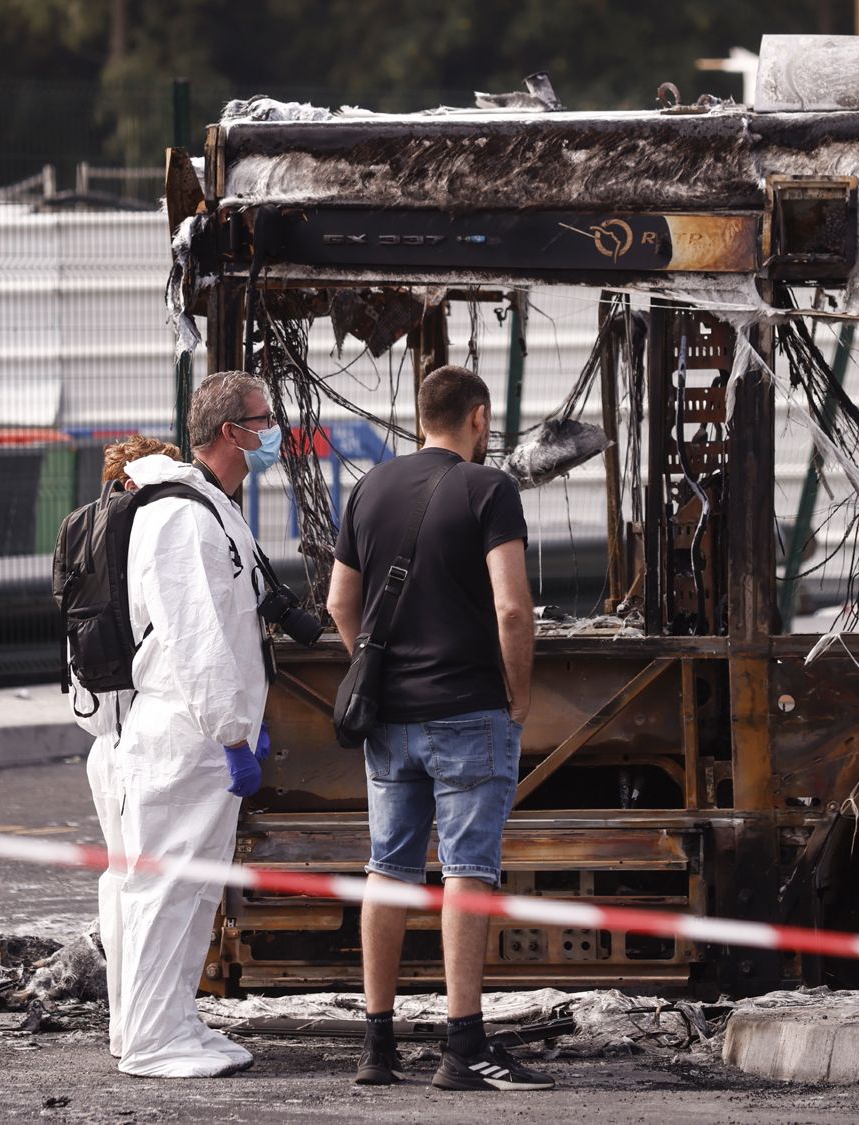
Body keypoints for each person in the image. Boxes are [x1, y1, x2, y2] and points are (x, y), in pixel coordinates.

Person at [325, 364, 551, 1092]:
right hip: (469, 710)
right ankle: (463, 1045)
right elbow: (512, 608)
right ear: (478, 418)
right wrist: (518, 696)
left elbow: (338, 602)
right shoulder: (489, 489)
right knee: (466, 872)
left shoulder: (369, 488)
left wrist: (377, 671)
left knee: (387, 868)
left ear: (422, 416)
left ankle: (377, 1044)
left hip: (391, 719)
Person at [107, 372, 282, 1077]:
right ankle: (149, 1039)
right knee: (168, 888)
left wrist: (240, 722)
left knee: (192, 889)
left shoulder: (208, 507)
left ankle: (171, 1019)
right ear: (232, 432)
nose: (275, 430)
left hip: (202, 734)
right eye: (264, 419)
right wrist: (234, 732)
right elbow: (196, 638)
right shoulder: (181, 515)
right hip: (188, 734)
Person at [71, 435, 180, 1061]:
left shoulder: (82, 545)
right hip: (145, 737)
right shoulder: (142, 548)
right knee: (151, 891)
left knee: (120, 881)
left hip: (102, 742)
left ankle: (122, 1026)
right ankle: (146, 1027)